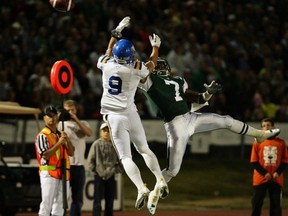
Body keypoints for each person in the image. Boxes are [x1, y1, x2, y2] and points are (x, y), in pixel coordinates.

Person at [138, 57, 281, 185]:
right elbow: (137, 78)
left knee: (227, 121)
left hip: (190, 118)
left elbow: (199, 99)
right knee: (173, 170)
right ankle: (155, 191)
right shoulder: (149, 80)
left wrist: (208, 93)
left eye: (163, 67)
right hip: (175, 126)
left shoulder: (178, 80)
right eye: (158, 67)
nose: (161, 69)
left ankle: (258, 134)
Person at [97, 16, 168, 215]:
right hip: (131, 113)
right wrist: (155, 48)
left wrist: (115, 33)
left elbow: (108, 52)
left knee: (125, 156)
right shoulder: (135, 68)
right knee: (144, 149)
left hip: (114, 116)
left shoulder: (106, 64)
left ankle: (141, 187)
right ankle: (160, 180)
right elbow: (151, 66)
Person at [34, 105, 75, 216]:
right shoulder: (42, 136)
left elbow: (71, 152)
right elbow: (45, 155)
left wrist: (67, 140)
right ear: (44, 118)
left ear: (57, 117)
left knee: (60, 205)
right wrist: (59, 143)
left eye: (54, 116)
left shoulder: (60, 134)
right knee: (46, 204)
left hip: (63, 172)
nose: (52, 118)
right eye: (49, 116)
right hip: (49, 172)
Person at [59, 99, 93, 216]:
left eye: (72, 110)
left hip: (79, 166)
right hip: (65, 165)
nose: (70, 112)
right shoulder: (60, 125)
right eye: (68, 110)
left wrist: (76, 120)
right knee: (63, 197)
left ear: (76, 110)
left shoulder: (83, 123)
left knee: (77, 198)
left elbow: (89, 133)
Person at [250, 118, 288, 216]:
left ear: (273, 127)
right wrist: (264, 173)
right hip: (260, 179)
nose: (266, 127)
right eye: (263, 126)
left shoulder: (281, 143)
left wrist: (278, 172)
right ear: (261, 129)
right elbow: (254, 162)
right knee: (256, 202)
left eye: (268, 125)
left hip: (276, 178)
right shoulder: (257, 142)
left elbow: (285, 161)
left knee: (276, 205)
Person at [87, 122, 123, 216]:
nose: (106, 133)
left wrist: (114, 171)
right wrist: (95, 170)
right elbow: (90, 160)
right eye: (104, 131)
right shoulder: (96, 144)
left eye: (108, 131)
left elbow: (121, 162)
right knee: (97, 201)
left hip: (111, 176)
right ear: (100, 132)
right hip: (98, 176)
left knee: (109, 201)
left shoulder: (115, 146)